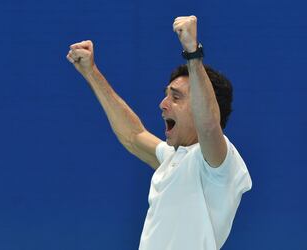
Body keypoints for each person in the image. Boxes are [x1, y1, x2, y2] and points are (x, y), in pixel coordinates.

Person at [66, 15, 252, 250]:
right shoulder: (173, 157)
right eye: (166, 95)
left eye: (176, 97)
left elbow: (208, 125)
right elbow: (133, 136)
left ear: (202, 106)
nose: (163, 104)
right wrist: (91, 72)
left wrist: (193, 54)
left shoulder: (218, 166)